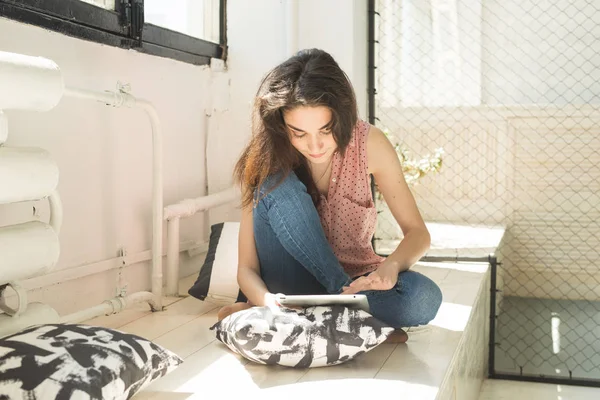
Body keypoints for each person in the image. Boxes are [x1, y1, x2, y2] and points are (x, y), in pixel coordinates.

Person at [218, 49, 442, 342]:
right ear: (281, 126)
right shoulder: (266, 158)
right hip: (290, 284)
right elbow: (246, 269)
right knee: (275, 184)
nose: (314, 146)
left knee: (422, 298)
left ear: (342, 116)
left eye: (325, 130)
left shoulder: (369, 144)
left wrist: (391, 266)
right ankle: (348, 313)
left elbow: (418, 233)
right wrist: (265, 301)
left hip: (356, 284)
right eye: (298, 133)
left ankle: (330, 316)